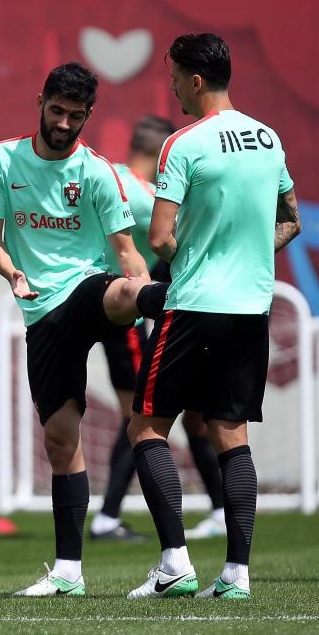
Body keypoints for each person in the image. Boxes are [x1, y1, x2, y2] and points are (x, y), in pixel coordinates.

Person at [0, 61, 168, 597]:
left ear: (90, 115)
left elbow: (129, 252)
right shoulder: (3, 159)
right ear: (41, 101)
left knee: (118, 294)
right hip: (41, 312)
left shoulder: (98, 173)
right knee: (61, 442)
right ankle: (68, 573)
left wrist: (147, 298)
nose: (63, 123)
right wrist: (5, 281)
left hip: (89, 291)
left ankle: (173, 308)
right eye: (57, 111)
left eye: (75, 116)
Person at [126, 33, 301, 600]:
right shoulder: (269, 138)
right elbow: (290, 220)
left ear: (194, 80)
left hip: (196, 303)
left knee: (147, 425)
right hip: (252, 307)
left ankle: (175, 563)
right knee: (231, 433)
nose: (172, 86)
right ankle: (237, 575)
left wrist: (203, 257)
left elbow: (159, 238)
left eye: (174, 76)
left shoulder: (184, 143)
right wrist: (245, 254)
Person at [89, 115, 225, 542]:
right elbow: (187, 237)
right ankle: (109, 516)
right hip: (123, 312)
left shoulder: (108, 178)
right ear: (160, 152)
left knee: (155, 414)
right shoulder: (148, 197)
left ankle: (215, 507)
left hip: (93, 302)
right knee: (142, 417)